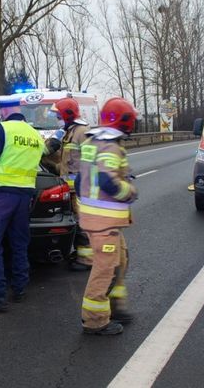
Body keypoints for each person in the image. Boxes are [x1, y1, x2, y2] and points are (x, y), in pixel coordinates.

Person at [0, 99, 59, 312]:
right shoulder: (32, 133)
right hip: (25, 196)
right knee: (19, 242)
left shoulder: (3, 129)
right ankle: (20, 288)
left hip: (1, 194)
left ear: (3, 110)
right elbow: (44, 155)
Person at [75, 97, 138, 335]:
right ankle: (95, 321)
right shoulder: (111, 146)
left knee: (120, 262)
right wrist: (130, 192)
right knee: (106, 269)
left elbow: (82, 179)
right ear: (125, 120)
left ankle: (115, 308)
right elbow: (106, 180)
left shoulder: (93, 141)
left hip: (99, 219)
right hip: (104, 222)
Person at [48, 98, 93, 271]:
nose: (57, 118)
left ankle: (87, 259)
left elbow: (91, 160)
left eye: (59, 115)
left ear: (67, 115)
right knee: (76, 222)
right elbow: (62, 160)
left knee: (84, 223)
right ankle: (80, 252)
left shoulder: (82, 132)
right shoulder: (67, 132)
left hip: (82, 188)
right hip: (71, 188)